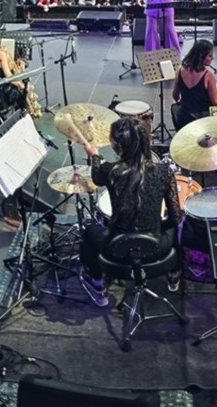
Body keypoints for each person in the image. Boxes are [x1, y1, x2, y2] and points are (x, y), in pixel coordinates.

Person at [78, 116, 182, 307]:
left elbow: (96, 176)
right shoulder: (164, 171)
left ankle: (98, 286)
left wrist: (94, 154)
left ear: (118, 146)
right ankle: (173, 276)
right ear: (146, 141)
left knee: (89, 230)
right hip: (156, 248)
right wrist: (157, 226)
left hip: (116, 248)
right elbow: (176, 217)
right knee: (179, 227)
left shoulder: (110, 171)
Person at [171, 39, 217, 130]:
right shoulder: (208, 75)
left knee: (175, 107)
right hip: (203, 121)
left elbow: (175, 96)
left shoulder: (180, 70)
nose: (212, 58)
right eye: (210, 56)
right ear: (201, 56)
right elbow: (216, 103)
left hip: (184, 119)